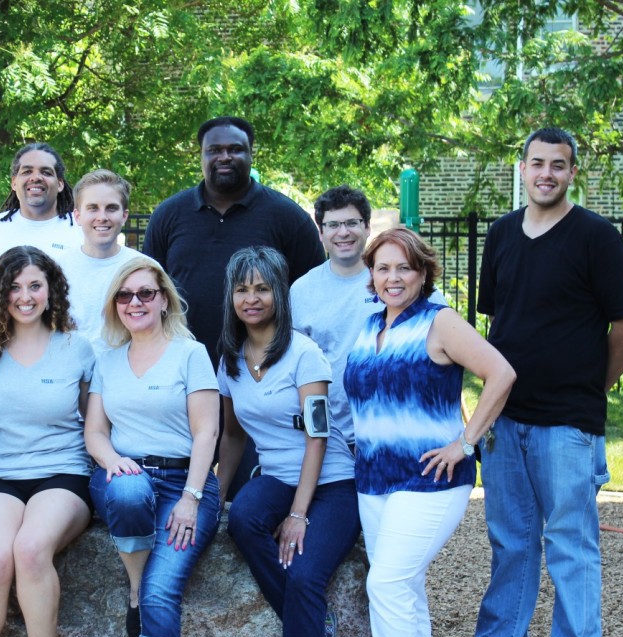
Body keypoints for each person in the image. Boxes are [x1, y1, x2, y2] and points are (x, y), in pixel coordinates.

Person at [474, 128, 623, 637]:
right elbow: (500, 320)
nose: (547, 173)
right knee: (511, 546)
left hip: (567, 424)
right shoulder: (501, 235)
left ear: (573, 173)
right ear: (521, 168)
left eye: (559, 165)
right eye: (537, 163)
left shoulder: (596, 236)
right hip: (505, 421)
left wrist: (594, 386)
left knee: (570, 547)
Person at [342, 228, 516, 637]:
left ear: (423, 273)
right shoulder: (367, 329)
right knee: (404, 589)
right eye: (383, 268)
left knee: (387, 584)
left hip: (430, 479)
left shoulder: (440, 321)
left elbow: (501, 374)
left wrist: (465, 442)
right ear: (372, 275)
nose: (393, 277)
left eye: (404, 267)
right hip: (374, 481)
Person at [143, 116, 323, 497]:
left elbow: (313, 294)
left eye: (235, 149)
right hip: (180, 380)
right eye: (215, 150)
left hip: (258, 384)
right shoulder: (169, 216)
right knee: (180, 498)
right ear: (202, 155)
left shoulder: (286, 217)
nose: (225, 156)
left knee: (244, 497)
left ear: (251, 153)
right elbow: (147, 292)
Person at [216, 247, 360, 637]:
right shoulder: (229, 360)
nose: (252, 298)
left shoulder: (304, 354)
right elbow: (231, 434)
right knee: (242, 518)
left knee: (304, 575)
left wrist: (297, 515)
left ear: (280, 292)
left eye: (262, 288)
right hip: (277, 476)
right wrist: (215, 497)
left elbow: (318, 438)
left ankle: (306, 627)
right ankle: (312, 619)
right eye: (242, 289)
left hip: (332, 481)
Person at [0, 246, 95, 637]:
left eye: (35, 285)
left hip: (63, 471)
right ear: (0, 293)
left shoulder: (77, 348)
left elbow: (96, 424)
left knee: (31, 549)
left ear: (51, 290)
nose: (25, 296)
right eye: (14, 287)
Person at [85, 258, 220, 637]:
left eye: (146, 293)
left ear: (164, 300)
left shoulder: (190, 354)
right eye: (125, 296)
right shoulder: (106, 361)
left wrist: (191, 499)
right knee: (129, 488)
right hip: (123, 476)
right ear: (115, 305)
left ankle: (143, 599)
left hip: (185, 482)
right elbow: (94, 431)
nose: (135, 302)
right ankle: (134, 585)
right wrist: (112, 460)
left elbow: (206, 432)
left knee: (160, 594)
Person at [292, 185, 446, 457]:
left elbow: (447, 327)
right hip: (331, 438)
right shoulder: (302, 291)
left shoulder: (395, 280)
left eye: (352, 223)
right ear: (321, 232)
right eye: (333, 225)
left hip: (399, 432)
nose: (343, 232)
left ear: (366, 227)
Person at [59, 169, 149, 351]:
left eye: (111, 208)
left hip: (127, 373)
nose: (102, 217)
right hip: (70, 374)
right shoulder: (57, 268)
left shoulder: (145, 268)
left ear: (124, 216)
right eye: (92, 208)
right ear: (77, 216)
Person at [0, 142, 82, 274]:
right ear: (14, 182)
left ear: (60, 184)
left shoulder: (80, 229)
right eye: (27, 171)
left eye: (46, 172)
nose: (35, 178)